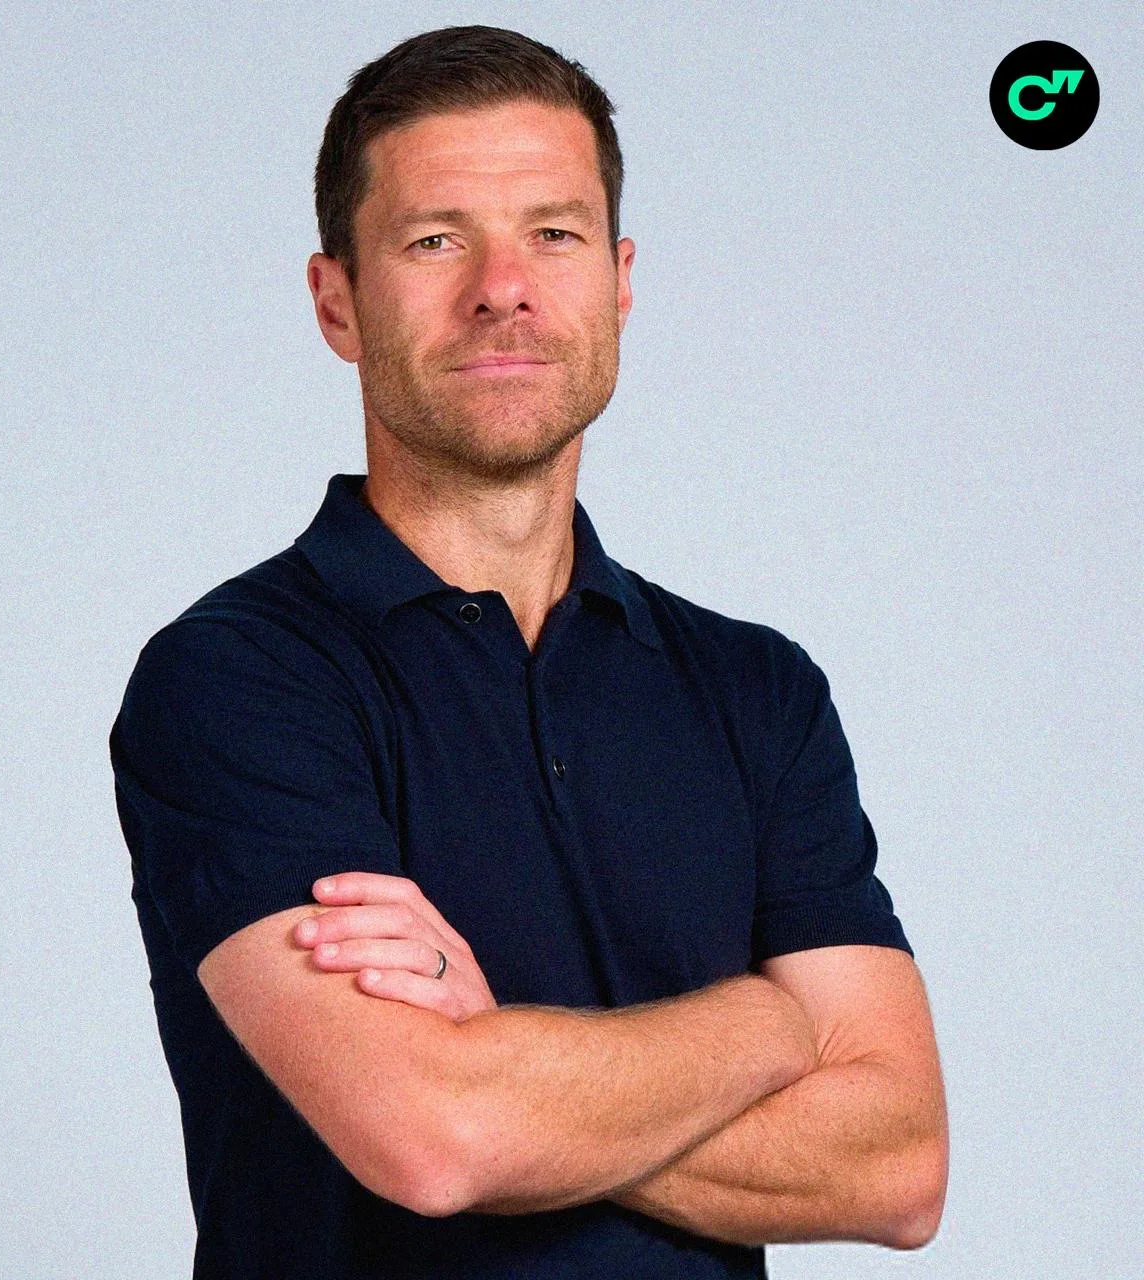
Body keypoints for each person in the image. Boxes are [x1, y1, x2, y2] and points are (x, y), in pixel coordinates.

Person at [110, 24, 948, 1280]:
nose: (501, 287)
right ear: (336, 301)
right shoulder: (238, 680)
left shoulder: (754, 691)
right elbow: (436, 1137)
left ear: (618, 280)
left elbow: (898, 1165)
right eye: (434, 240)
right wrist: (767, 1022)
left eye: (552, 233)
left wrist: (500, 1054)